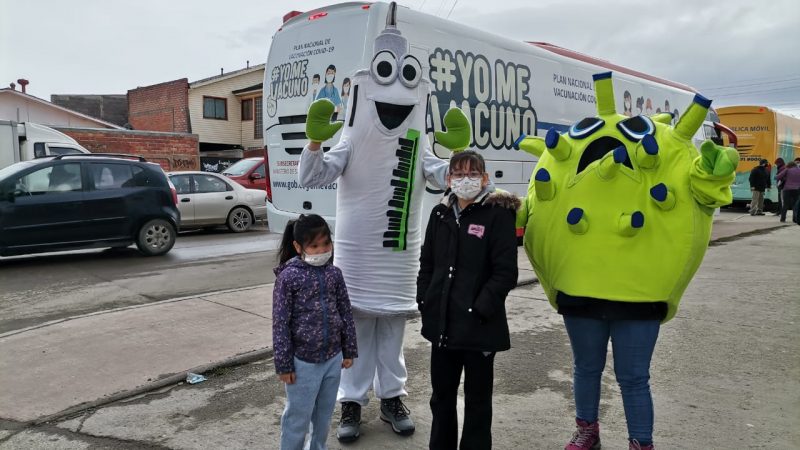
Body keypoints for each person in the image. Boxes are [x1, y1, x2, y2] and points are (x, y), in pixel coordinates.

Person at [417, 151, 519, 450]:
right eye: (458, 174)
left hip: (479, 327)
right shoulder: (440, 213)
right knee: (442, 399)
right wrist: (425, 299)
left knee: (477, 402)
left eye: (472, 174)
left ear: (485, 178)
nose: (465, 179)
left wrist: (479, 308)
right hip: (443, 326)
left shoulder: (498, 215)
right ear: (448, 179)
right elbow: (428, 263)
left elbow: (505, 273)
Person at [273, 214, 358, 450]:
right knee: (298, 417)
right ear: (298, 247)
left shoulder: (334, 274)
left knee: (323, 416)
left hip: (333, 358)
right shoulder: (288, 277)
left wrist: (348, 349)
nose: (322, 250)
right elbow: (280, 323)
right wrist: (284, 364)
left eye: (326, 243)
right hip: (302, 363)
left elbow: (345, 313)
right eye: (314, 245)